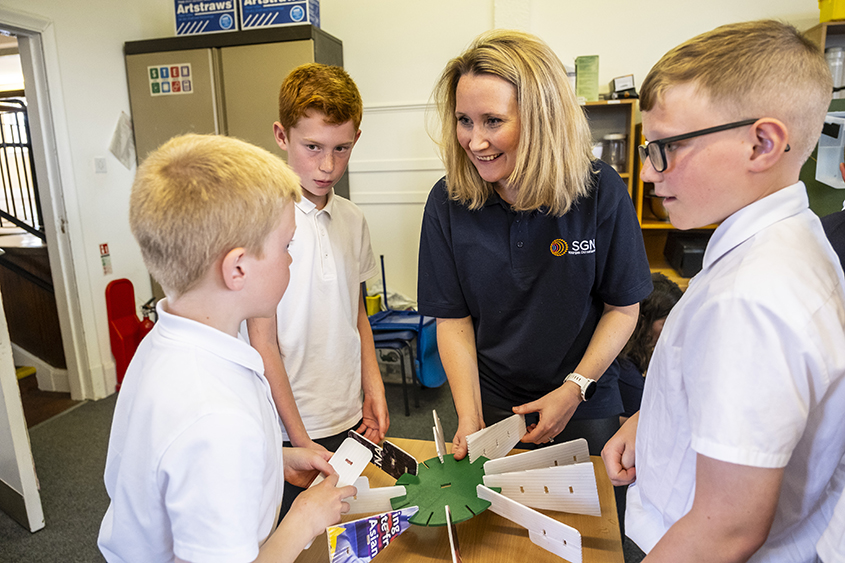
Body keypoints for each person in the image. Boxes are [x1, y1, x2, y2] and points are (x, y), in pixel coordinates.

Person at [601, 20, 845, 563]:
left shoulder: (751, 299)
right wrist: (653, 419)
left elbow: (728, 528)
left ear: (761, 142)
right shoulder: (790, 239)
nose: (646, 171)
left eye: (668, 147)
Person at [98, 134, 356, 562]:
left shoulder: (166, 342)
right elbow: (212, 440)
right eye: (286, 246)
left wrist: (274, 459)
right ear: (237, 268)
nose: (291, 259)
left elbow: (177, 464)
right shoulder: (216, 418)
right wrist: (304, 519)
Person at [417, 28, 653, 464]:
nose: (474, 141)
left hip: (584, 393)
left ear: (541, 119)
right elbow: (453, 319)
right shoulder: (448, 201)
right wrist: (468, 415)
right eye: (464, 120)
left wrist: (574, 389)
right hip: (490, 403)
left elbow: (622, 308)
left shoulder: (599, 191)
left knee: (590, 523)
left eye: (493, 121)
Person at [246, 63, 388, 517]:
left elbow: (356, 316)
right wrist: (300, 439)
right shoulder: (262, 220)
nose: (328, 166)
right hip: (287, 427)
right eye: (313, 147)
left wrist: (374, 387)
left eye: (341, 148)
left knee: (345, 533)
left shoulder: (353, 220)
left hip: (347, 416)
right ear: (282, 136)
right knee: (290, 538)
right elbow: (261, 340)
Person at [617, 272, 682, 421]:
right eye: (665, 325)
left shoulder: (629, 359)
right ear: (643, 322)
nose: (672, 332)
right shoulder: (627, 375)